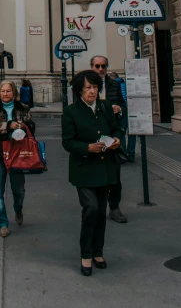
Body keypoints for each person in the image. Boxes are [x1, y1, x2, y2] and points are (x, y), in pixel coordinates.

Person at [62, 70, 122, 276]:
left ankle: (98, 252)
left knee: (101, 212)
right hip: (84, 169)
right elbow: (68, 142)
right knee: (91, 209)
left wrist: (117, 140)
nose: (92, 91)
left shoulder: (105, 107)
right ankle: (86, 254)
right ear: (79, 90)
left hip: (105, 168)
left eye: (95, 87)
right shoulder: (71, 112)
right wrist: (87, 148)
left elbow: (116, 128)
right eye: (88, 88)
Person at [0, 80, 35, 237]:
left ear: (14, 93)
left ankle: (18, 210)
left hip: (17, 155)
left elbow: (32, 127)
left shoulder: (23, 109)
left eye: (9, 91)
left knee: (18, 191)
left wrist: (23, 127)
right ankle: (3, 224)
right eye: (3, 91)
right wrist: (8, 126)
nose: (6, 94)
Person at [90, 56, 128, 223]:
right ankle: (96, 208)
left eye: (103, 66)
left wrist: (119, 108)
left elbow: (123, 105)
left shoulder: (114, 85)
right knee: (95, 174)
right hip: (93, 135)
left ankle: (114, 207)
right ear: (92, 67)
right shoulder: (86, 86)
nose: (100, 69)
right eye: (97, 66)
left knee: (115, 176)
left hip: (112, 135)